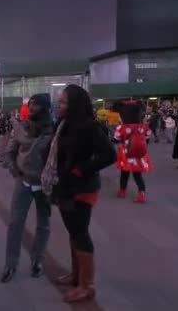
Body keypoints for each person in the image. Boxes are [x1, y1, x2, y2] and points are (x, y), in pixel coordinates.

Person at [41, 85, 116, 304]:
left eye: (64, 102)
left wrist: (81, 169)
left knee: (80, 233)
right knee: (73, 232)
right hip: (64, 187)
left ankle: (87, 285)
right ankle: (76, 275)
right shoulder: (64, 124)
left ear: (74, 105)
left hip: (82, 188)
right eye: (60, 101)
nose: (59, 105)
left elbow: (109, 155)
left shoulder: (89, 126)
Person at [0, 94, 54, 283]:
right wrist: (15, 171)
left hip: (44, 185)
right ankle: (10, 264)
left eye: (37, 105)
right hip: (23, 182)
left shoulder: (52, 130)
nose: (32, 108)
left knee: (44, 225)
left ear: (46, 108)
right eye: (30, 104)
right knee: (15, 223)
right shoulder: (21, 127)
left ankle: (37, 261)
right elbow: (9, 152)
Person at [114, 101, 153, 203]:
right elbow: (148, 136)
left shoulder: (122, 127)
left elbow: (116, 138)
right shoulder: (142, 127)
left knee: (124, 173)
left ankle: (122, 191)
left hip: (126, 153)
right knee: (137, 175)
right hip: (138, 155)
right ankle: (142, 193)